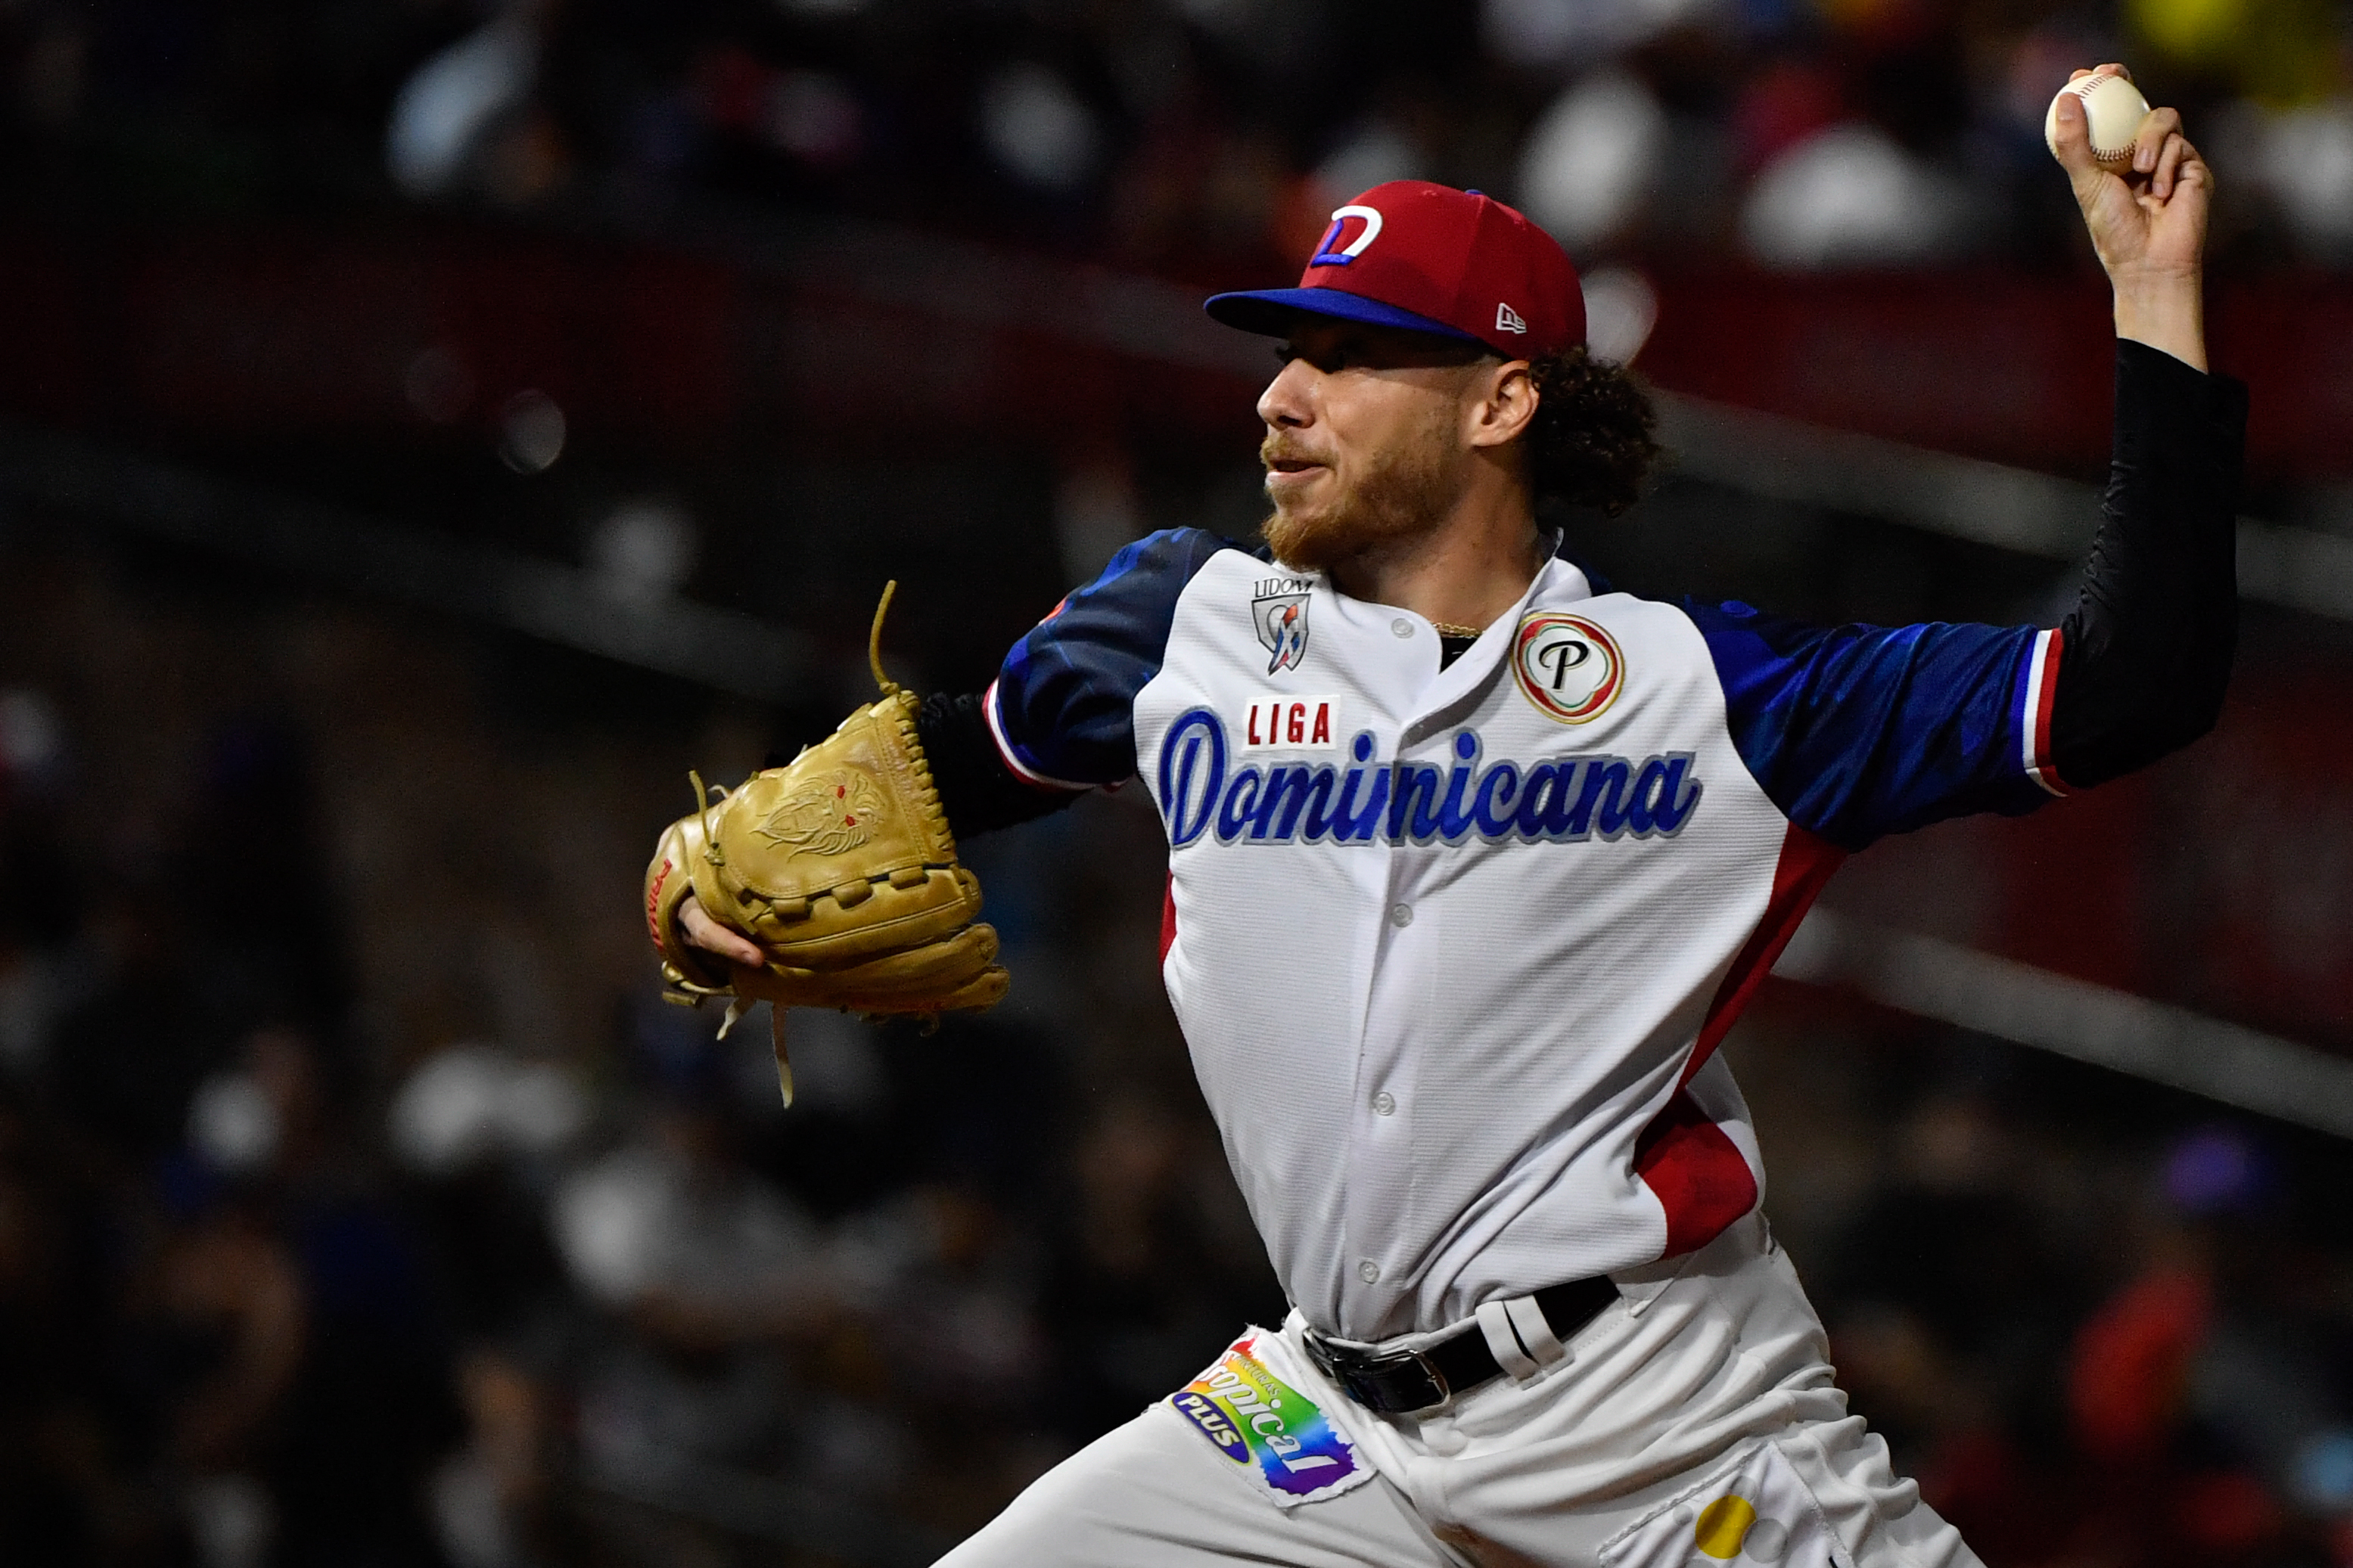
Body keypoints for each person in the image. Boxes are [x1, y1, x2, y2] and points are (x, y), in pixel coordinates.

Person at [675, 64, 2242, 1568]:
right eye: (1286, 349)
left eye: (1349, 356)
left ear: (1501, 401)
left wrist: (2150, 290)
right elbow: (959, 760)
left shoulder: (1708, 690)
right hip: (1317, 1419)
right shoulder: (1181, 621)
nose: (1283, 393)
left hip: (1657, 1421)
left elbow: (2131, 682)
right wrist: (725, 878)